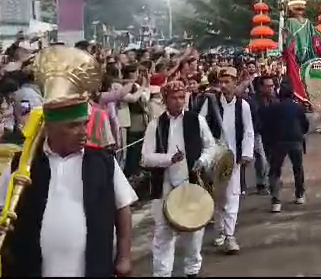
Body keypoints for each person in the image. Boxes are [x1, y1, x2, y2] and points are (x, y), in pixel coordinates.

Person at [0, 85, 137, 277]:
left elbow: (123, 208)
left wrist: (124, 256)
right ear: (50, 128)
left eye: (85, 123)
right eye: (73, 125)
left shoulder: (103, 162)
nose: (84, 132)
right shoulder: (21, 165)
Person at [142, 80, 217, 278]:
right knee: (163, 234)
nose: (178, 101)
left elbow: (211, 147)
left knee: (193, 231)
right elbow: (146, 157)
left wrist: (202, 161)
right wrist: (168, 159)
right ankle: (162, 273)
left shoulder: (196, 120)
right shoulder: (155, 125)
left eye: (181, 97)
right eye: (173, 98)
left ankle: (192, 271)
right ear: (165, 100)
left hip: (190, 183)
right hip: (164, 185)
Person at [200, 66, 254, 253]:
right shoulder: (211, 103)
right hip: (215, 159)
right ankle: (221, 231)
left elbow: (248, 131)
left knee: (232, 196)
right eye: (221, 82)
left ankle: (230, 236)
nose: (224, 85)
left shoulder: (243, 105)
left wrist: (246, 153)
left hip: (234, 160)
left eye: (228, 81)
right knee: (217, 197)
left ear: (235, 82)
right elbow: (201, 126)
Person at [258, 77, 309, 212]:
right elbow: (305, 124)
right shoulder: (298, 107)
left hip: (277, 143)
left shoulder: (272, 107)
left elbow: (265, 127)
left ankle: (276, 201)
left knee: (275, 172)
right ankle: (300, 195)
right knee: (298, 169)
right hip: (295, 141)